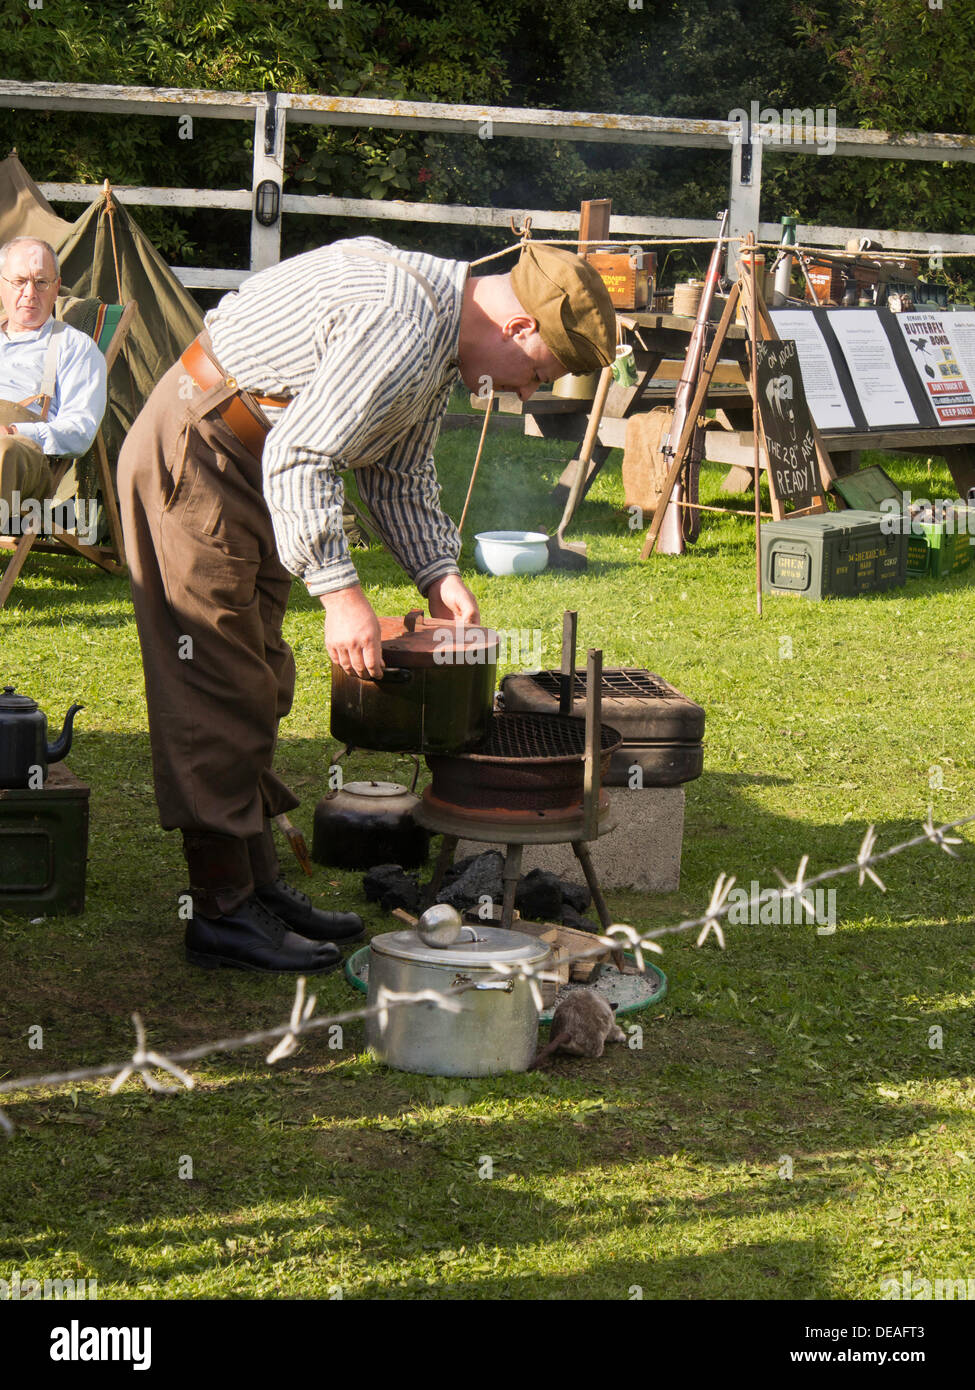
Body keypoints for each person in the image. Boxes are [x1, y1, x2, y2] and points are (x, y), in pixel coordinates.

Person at [117, 234, 615, 975]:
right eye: (536, 372)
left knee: (258, 677)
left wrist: (437, 574)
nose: (523, 393)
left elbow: (398, 474)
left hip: (250, 466)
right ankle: (220, 914)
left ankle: (256, 888)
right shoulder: (401, 319)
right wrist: (341, 595)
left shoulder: (437, 341)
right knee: (215, 685)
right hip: (201, 453)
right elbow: (304, 458)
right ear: (517, 327)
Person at [0, 237, 107, 511]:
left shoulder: (75, 347)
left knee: (3, 452)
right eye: (19, 281)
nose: (29, 293)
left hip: (21, 455)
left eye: (41, 282)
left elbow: (80, 430)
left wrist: (14, 430)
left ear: (56, 287)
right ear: (2, 284)